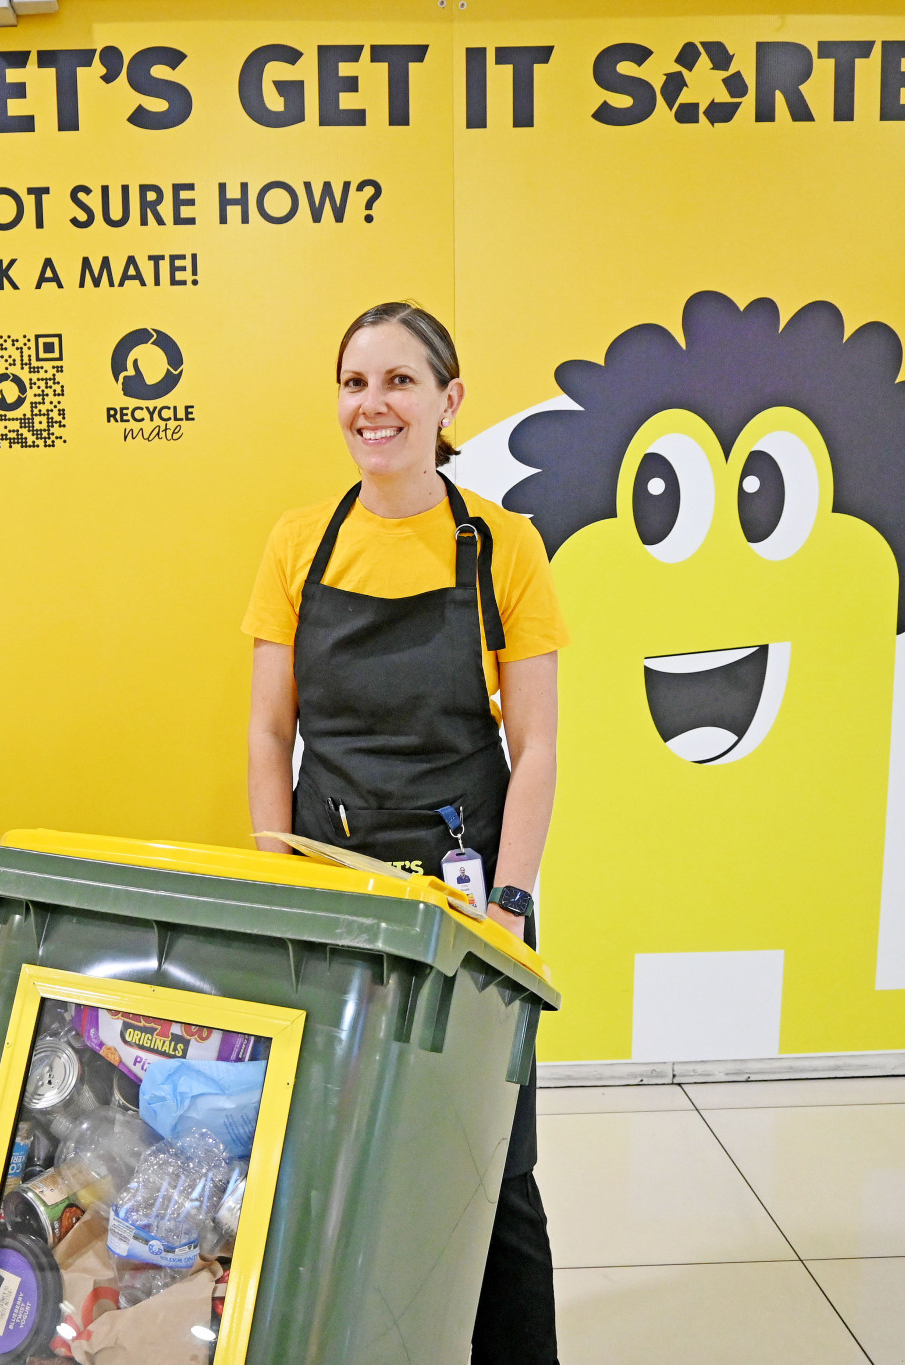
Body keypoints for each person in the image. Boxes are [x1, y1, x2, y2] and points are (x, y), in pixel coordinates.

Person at [243, 300, 566, 1364]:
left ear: (447, 400)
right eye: (351, 383)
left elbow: (536, 747)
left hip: (465, 901)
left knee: (490, 1168)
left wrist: (510, 905)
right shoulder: (299, 543)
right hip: (330, 901)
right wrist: (269, 875)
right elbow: (267, 725)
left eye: (396, 382)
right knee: (333, 1157)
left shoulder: (502, 548)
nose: (369, 406)